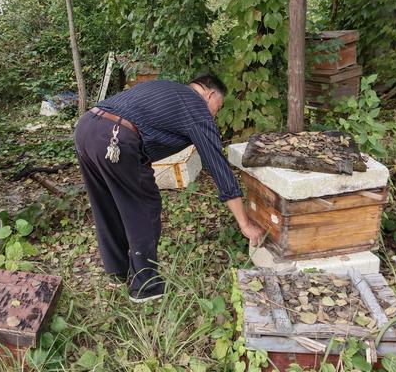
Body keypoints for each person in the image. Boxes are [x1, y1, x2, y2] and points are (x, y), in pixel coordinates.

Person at [74, 73, 263, 303]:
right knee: (144, 206)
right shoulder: (195, 105)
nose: (215, 113)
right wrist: (244, 223)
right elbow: (217, 165)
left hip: (87, 128)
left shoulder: (168, 89)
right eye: (218, 106)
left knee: (107, 204)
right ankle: (146, 286)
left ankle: (118, 272)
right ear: (210, 94)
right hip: (117, 138)